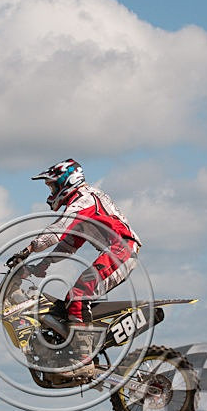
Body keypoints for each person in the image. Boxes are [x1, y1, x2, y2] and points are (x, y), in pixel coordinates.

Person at [7, 159, 141, 377]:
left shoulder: (83, 200)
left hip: (122, 249)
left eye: (52, 185)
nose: (51, 191)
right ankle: (68, 348)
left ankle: (83, 359)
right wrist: (44, 264)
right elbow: (70, 243)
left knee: (79, 293)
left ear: (65, 182)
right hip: (116, 250)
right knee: (65, 302)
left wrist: (30, 248)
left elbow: (59, 228)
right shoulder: (84, 201)